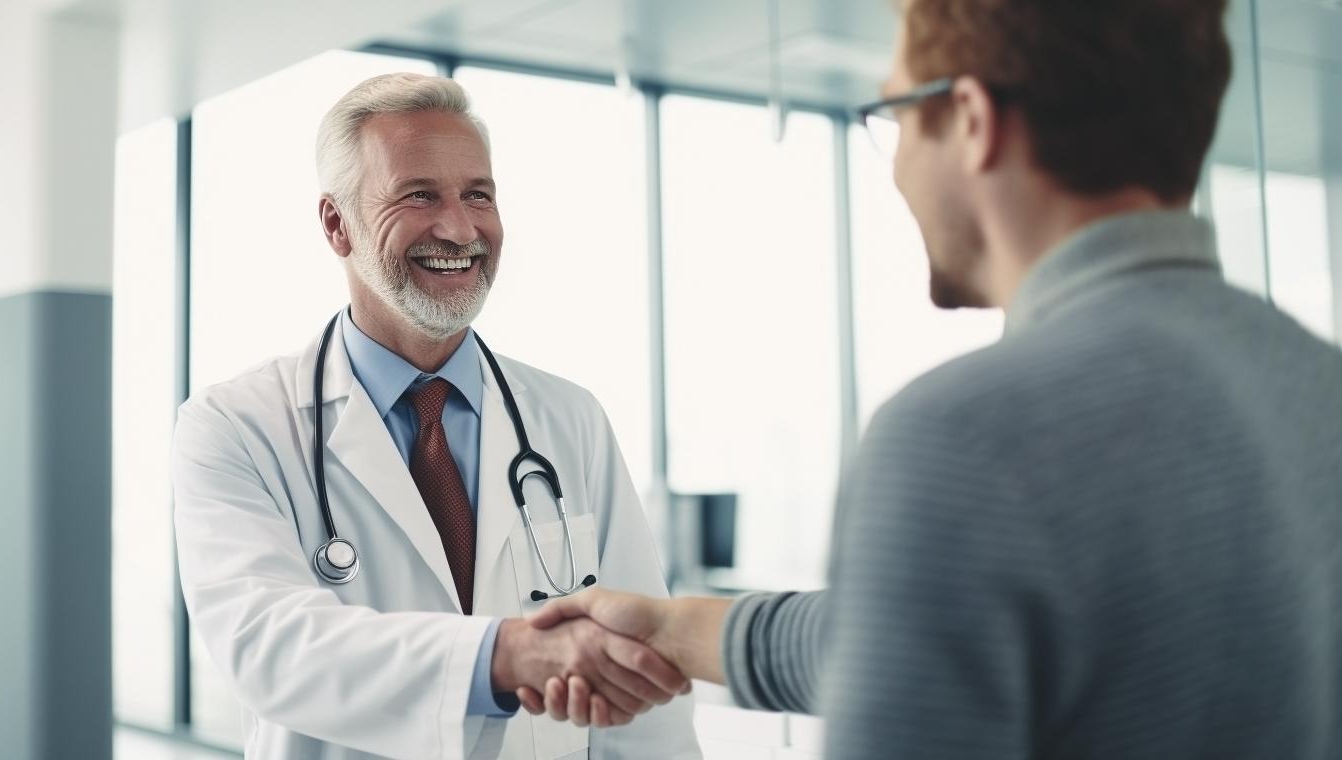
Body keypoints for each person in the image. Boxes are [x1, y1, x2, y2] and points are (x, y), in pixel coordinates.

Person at [519, 1, 1342, 758]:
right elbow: (942, 631)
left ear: (974, 123)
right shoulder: (1316, 385)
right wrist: (671, 630)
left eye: (898, 115)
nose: (899, 163)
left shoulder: (967, 438)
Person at [171, 73, 700, 760]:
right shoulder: (234, 426)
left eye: (477, 195)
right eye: (418, 195)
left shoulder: (569, 418)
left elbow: (641, 687)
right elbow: (268, 645)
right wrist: (504, 655)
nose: (458, 228)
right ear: (338, 225)